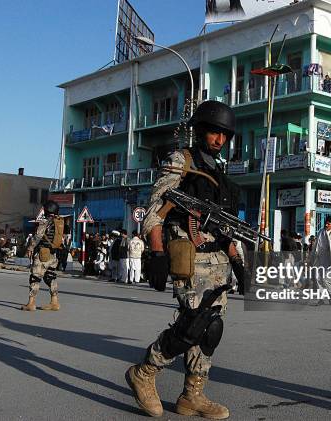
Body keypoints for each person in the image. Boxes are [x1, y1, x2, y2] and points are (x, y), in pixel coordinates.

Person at [126, 100, 244, 419]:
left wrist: (239, 264)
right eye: (214, 132)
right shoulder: (182, 161)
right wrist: (158, 253)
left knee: (211, 329)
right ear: (201, 131)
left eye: (225, 135)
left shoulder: (219, 171)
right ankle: (145, 372)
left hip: (217, 262)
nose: (219, 139)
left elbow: (226, 230)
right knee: (194, 325)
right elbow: (155, 211)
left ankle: (193, 395)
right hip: (188, 256)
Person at [21, 200, 65, 312]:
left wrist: (30, 247)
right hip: (53, 254)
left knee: (35, 277)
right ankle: (54, 302)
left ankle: (31, 303)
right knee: (50, 276)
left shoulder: (45, 222)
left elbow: (38, 236)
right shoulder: (59, 222)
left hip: (42, 254)